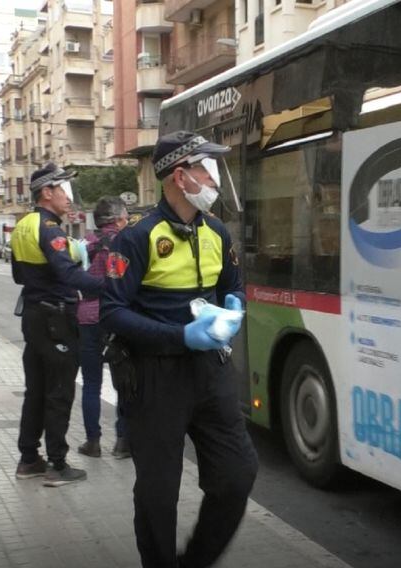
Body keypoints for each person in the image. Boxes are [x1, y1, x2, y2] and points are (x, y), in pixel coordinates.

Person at [101, 131, 257, 568]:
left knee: (237, 474)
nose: (214, 179)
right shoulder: (137, 237)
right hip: (154, 378)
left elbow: (234, 285)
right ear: (180, 175)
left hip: (210, 372)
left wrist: (234, 308)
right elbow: (112, 312)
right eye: (207, 168)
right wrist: (179, 336)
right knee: (158, 493)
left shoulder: (217, 232)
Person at [11, 162, 104, 487]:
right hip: (57, 320)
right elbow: (68, 274)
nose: (69, 197)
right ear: (47, 192)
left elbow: (19, 275)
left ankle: (28, 459)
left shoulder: (23, 226)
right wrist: (108, 285)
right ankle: (57, 464)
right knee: (59, 391)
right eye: (64, 190)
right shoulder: (50, 229)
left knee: (35, 390)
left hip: (34, 316)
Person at [76, 196, 130, 459]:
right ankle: (122, 442)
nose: (128, 221)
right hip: (116, 319)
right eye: (126, 217)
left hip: (87, 319)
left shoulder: (85, 244)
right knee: (124, 383)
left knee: (91, 384)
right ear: (118, 219)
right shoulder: (125, 243)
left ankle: (93, 442)